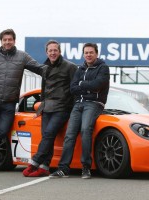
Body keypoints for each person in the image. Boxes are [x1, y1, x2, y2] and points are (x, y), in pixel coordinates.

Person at [0, 29, 44, 173]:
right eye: (5, 40)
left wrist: (57, 70)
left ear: (14, 41)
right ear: (1, 41)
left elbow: (39, 68)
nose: (7, 42)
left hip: (9, 103)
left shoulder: (22, 56)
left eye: (10, 39)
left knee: (2, 131)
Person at [49, 43, 110, 179]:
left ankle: (86, 167)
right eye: (86, 53)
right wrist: (87, 87)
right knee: (69, 135)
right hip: (78, 104)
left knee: (85, 130)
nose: (88, 55)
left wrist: (82, 85)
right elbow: (72, 88)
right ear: (83, 54)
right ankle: (63, 169)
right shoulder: (80, 69)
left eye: (91, 52)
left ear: (96, 54)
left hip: (94, 104)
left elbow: (97, 85)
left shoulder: (103, 68)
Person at [22, 40, 77, 177]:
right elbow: (44, 91)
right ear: (47, 52)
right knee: (48, 137)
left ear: (59, 51)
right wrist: (40, 108)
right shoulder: (45, 68)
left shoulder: (70, 67)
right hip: (47, 109)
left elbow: (75, 90)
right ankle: (44, 166)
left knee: (48, 134)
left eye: (55, 50)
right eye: (50, 50)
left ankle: (35, 162)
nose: (53, 53)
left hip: (62, 108)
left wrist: (74, 110)